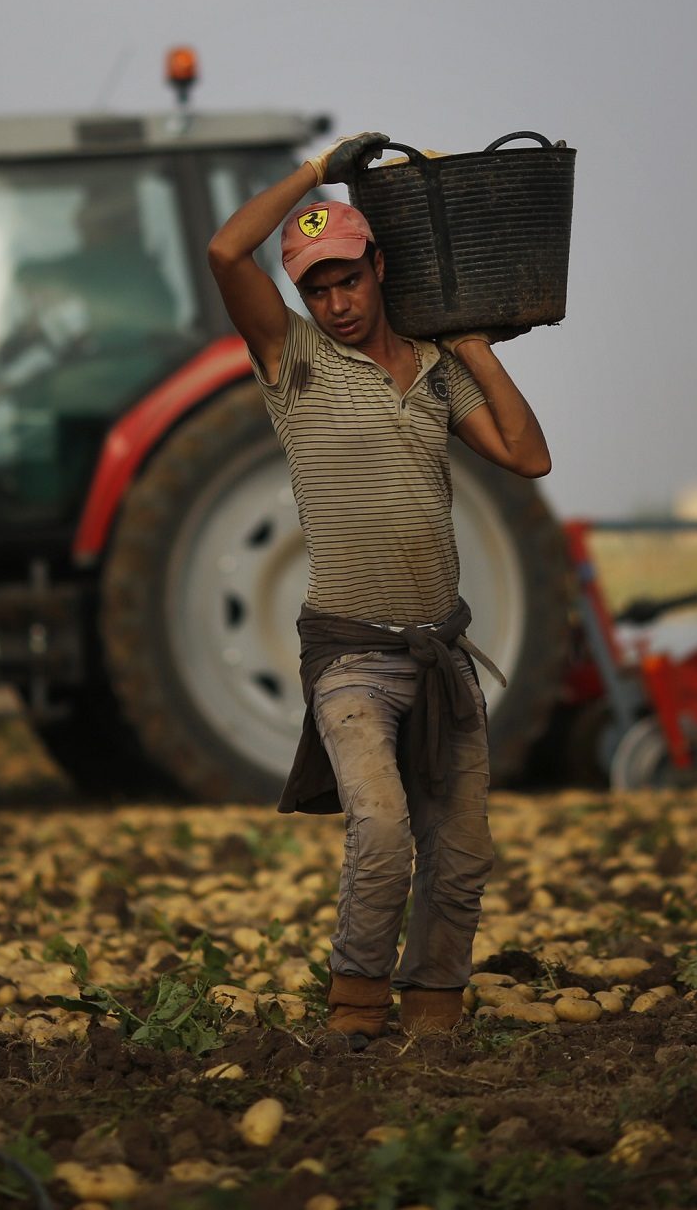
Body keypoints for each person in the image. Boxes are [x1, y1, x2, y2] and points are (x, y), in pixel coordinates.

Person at [205, 133, 552, 1040]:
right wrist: (317, 172)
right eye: (317, 288)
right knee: (384, 829)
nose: (337, 303)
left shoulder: (439, 372)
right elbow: (226, 252)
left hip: (441, 653)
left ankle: (434, 1015)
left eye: (348, 280)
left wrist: (472, 345)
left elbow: (529, 456)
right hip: (351, 657)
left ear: (380, 267)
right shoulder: (294, 361)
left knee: (463, 851)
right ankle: (355, 1005)